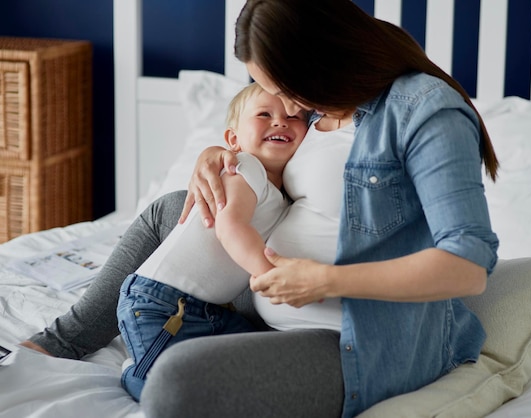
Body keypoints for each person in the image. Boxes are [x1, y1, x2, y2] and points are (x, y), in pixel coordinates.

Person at [21, 1, 499, 417]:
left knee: (173, 387)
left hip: (347, 331)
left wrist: (323, 281)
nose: (289, 107)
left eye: (289, 89)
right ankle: (57, 343)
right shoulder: (324, 105)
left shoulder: (425, 111)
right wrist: (217, 157)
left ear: (321, 57)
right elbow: (279, 171)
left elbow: (467, 266)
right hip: (265, 288)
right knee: (170, 209)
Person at [115, 82, 308, 401]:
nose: (281, 121)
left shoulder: (282, 196)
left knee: (254, 359)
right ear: (233, 140)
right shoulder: (244, 166)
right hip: (160, 305)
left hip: (210, 311)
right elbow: (230, 227)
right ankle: (131, 371)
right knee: (163, 392)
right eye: (264, 114)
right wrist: (269, 273)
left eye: (295, 116)